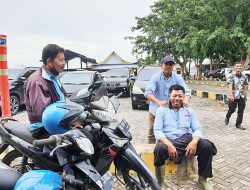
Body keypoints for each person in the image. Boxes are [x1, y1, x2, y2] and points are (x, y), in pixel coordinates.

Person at [153, 84, 217, 189]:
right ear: (169, 96)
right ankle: (161, 182)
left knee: (206, 146)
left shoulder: (189, 111)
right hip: (169, 140)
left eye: (180, 96)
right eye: (174, 96)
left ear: (183, 97)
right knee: (159, 149)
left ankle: (202, 179)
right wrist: (168, 144)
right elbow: (157, 131)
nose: (177, 98)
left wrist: (194, 142)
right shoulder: (162, 110)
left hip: (186, 140)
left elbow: (197, 129)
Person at [144, 55, 191, 144]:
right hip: (156, 111)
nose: (168, 66)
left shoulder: (177, 77)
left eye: (171, 64)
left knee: (171, 133)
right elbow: (147, 93)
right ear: (161, 65)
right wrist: (158, 102)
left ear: (173, 66)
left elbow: (187, 92)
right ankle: (151, 151)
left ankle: (172, 149)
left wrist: (185, 100)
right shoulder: (155, 77)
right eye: (166, 64)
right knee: (152, 132)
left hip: (172, 112)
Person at [24, 44, 67, 139]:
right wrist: (67, 120)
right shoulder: (37, 81)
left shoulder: (54, 77)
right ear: (49, 61)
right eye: (60, 60)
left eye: (64, 59)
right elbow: (42, 113)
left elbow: (63, 100)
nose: (64, 63)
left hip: (56, 123)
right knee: (71, 149)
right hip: (43, 127)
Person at [225, 62, 249, 130]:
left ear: (241, 68)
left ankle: (238, 124)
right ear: (234, 67)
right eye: (237, 66)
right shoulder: (230, 76)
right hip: (233, 96)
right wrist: (231, 95)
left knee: (241, 110)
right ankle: (227, 116)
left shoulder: (244, 76)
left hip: (242, 96)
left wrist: (246, 96)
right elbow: (229, 86)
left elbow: (245, 87)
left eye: (240, 66)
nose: (239, 67)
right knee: (232, 109)